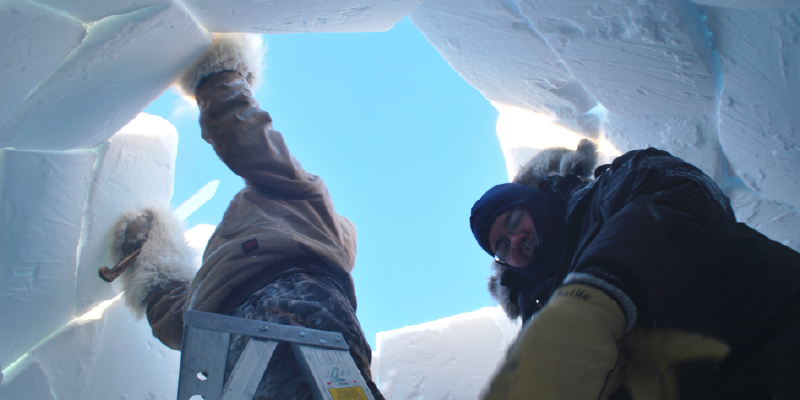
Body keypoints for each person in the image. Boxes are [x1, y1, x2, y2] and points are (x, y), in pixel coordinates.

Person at [110, 34, 383, 400]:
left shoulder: (300, 198)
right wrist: (153, 266)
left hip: (288, 307)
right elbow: (180, 318)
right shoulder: (222, 269)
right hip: (271, 325)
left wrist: (221, 78)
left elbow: (248, 139)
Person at [469, 140, 800, 399]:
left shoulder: (615, 185)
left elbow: (684, 198)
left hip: (776, 328)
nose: (514, 240)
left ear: (537, 201)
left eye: (514, 220)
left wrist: (597, 296)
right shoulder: (542, 330)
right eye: (501, 247)